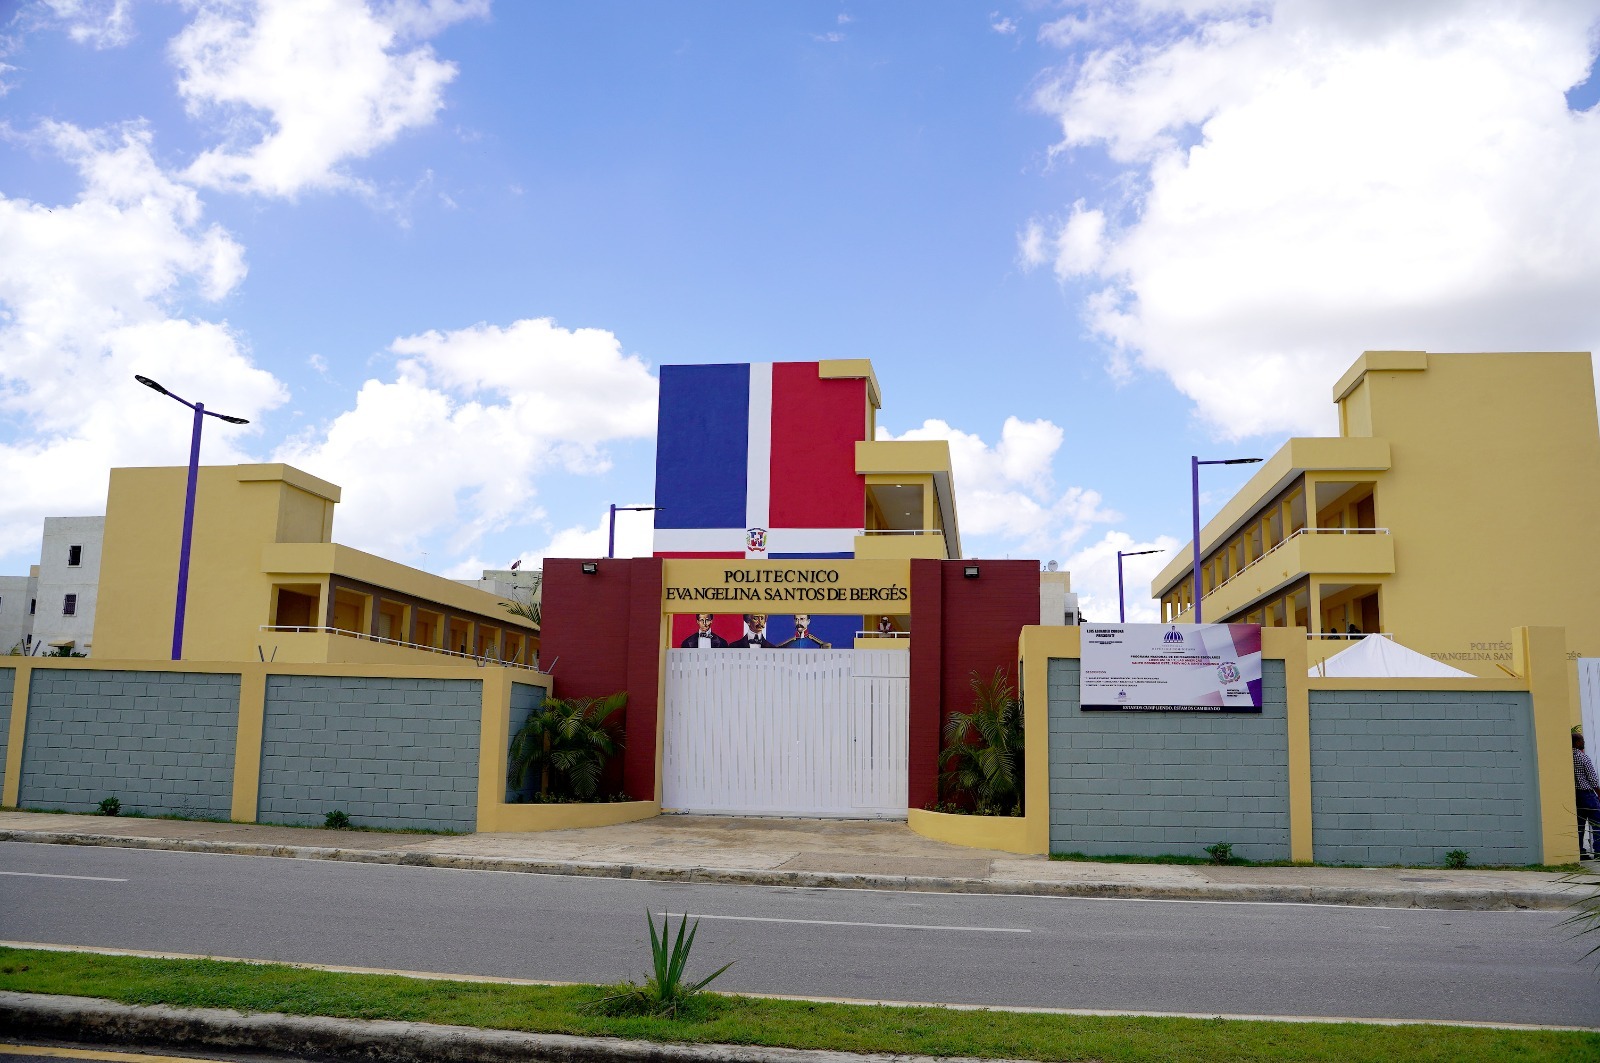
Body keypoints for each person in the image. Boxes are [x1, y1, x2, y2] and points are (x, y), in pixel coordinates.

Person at [1575, 733, 1599, 860]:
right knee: (1597, 823)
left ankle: (1581, 852)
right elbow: (1593, 780)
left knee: (1579, 825)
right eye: (1582, 740)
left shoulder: (1568, 757)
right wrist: (1599, 794)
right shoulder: (1584, 758)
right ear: (1577, 742)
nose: (1583, 742)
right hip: (1587, 795)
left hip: (1576, 795)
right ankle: (1598, 851)